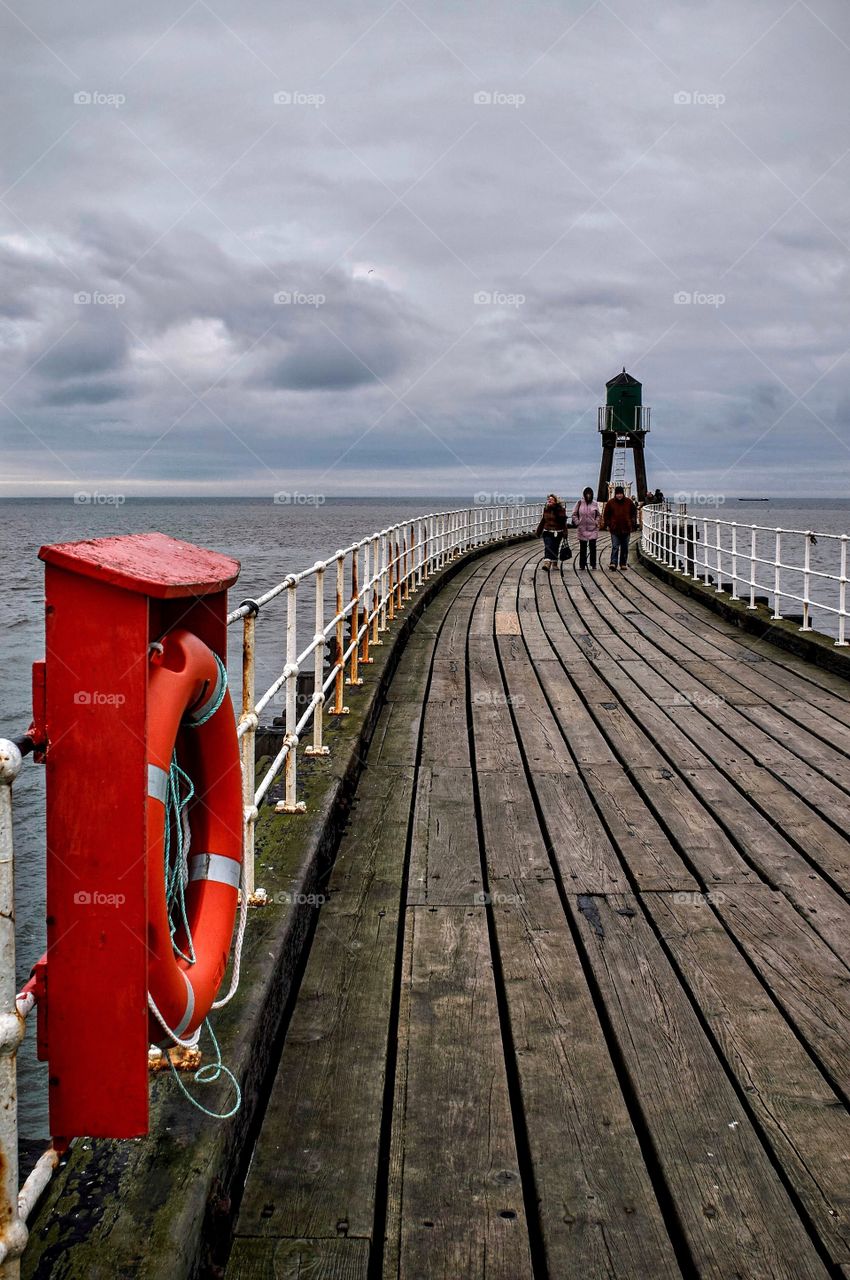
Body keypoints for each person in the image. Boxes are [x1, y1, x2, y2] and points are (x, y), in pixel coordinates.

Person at [602, 484, 637, 570]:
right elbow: (606, 515)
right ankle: (613, 563)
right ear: (615, 494)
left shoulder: (629, 502)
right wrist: (608, 524)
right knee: (615, 546)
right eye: (617, 493)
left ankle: (623, 564)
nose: (619, 495)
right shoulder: (610, 503)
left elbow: (634, 513)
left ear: (623, 493)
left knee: (625, 547)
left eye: (620, 493)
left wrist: (632, 523)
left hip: (626, 528)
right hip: (615, 528)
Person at [534, 493, 568, 571]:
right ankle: (547, 563)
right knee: (548, 546)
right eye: (548, 499)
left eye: (551, 500)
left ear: (556, 501)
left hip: (558, 532)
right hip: (547, 531)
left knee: (555, 547)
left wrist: (565, 533)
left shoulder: (560, 510)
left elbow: (563, 522)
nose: (549, 501)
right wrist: (538, 532)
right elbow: (543, 520)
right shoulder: (546, 508)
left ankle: (555, 563)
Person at [571, 486, 600, 571]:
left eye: (590, 493)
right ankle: (582, 565)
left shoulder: (595, 503)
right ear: (584, 494)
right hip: (582, 528)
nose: (588, 495)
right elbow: (574, 514)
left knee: (593, 547)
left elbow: (598, 514)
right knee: (583, 548)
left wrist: (596, 522)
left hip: (592, 528)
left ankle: (593, 564)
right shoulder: (579, 502)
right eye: (586, 493)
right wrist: (577, 522)